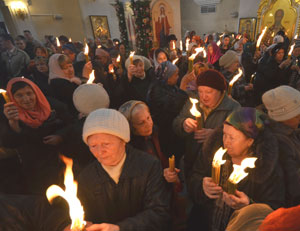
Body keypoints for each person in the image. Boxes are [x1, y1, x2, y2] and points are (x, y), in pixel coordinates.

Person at [63, 108, 171, 230]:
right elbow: (82, 214)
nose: (100, 152)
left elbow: (159, 213)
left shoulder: (148, 166)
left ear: (123, 140)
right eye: (93, 146)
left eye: (106, 144)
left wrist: (120, 228)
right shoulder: (86, 177)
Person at [187, 108, 287, 231]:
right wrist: (201, 186)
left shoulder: (266, 170)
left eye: (232, 138)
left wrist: (249, 206)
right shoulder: (213, 154)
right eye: (224, 135)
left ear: (250, 141)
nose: (226, 142)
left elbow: (275, 211)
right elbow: (193, 177)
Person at [1, 77, 72, 194]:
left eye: (29, 93)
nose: (27, 99)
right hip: (34, 168)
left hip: (61, 161)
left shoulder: (54, 106)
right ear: (12, 98)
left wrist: (60, 136)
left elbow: (71, 124)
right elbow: (10, 143)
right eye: (19, 95)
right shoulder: (9, 114)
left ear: (36, 92)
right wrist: (13, 123)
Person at [173, 69, 240, 180]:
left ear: (220, 91)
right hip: (191, 161)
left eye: (209, 92)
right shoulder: (193, 101)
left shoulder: (233, 108)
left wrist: (215, 135)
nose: (204, 96)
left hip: (215, 168)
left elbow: (238, 140)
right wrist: (183, 124)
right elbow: (176, 123)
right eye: (200, 91)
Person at [147, 61, 188, 158]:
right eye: (175, 75)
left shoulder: (170, 87)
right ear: (167, 77)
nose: (177, 77)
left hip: (174, 130)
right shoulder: (156, 91)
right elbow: (172, 107)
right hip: (166, 132)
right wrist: (183, 87)